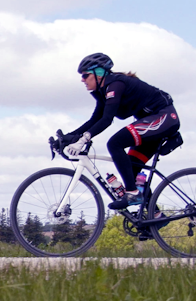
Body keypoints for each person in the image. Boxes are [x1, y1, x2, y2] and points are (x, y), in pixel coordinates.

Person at [58, 53, 179, 210]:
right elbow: (95, 119)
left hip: (164, 117)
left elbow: (107, 119)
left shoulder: (116, 84)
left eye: (85, 75)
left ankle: (132, 194)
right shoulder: (103, 91)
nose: (82, 79)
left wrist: (83, 140)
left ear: (98, 73)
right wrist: (70, 137)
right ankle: (156, 216)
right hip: (153, 122)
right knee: (131, 170)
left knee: (115, 143)